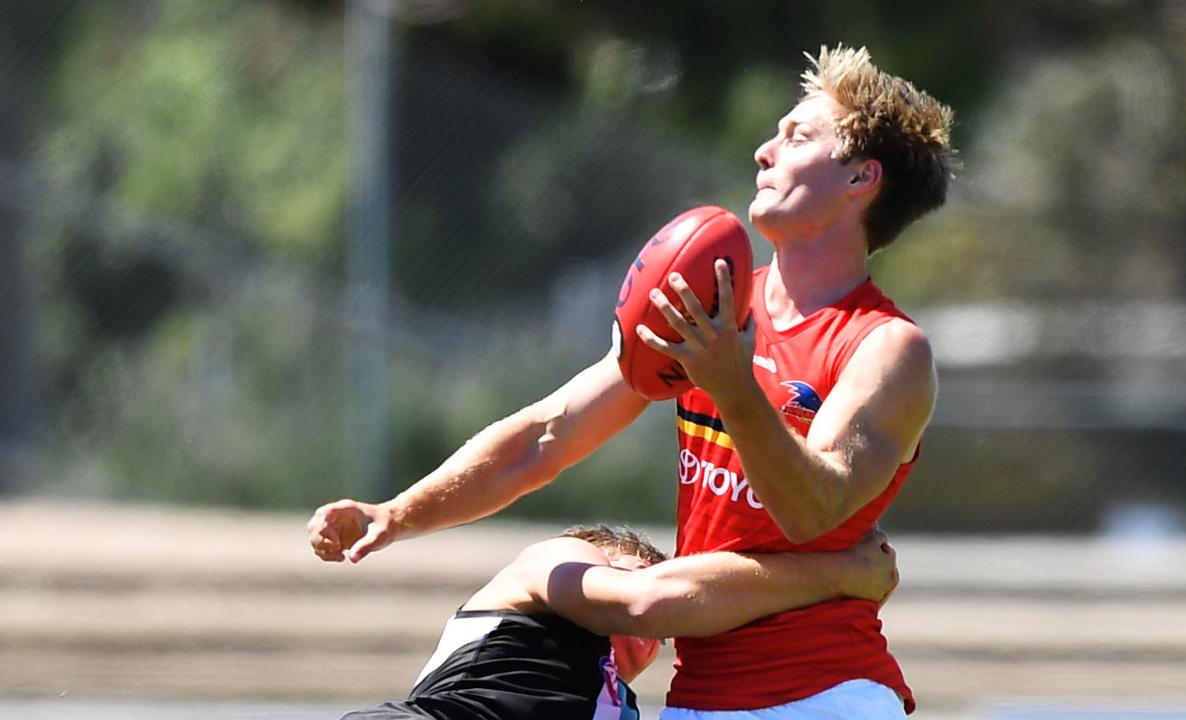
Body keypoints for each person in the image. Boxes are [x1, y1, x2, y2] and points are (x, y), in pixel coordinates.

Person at [311, 44, 953, 719]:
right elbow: (545, 437)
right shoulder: (713, 311)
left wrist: (734, 388)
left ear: (861, 180)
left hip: (823, 691)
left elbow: (812, 512)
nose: (765, 151)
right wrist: (397, 514)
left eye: (797, 137)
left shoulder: (886, 348)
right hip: (698, 693)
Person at [339, 524, 899, 720]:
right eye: (637, 566)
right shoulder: (549, 564)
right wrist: (839, 573)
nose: (654, 634)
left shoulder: (616, 706)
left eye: (661, 639)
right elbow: (640, 602)